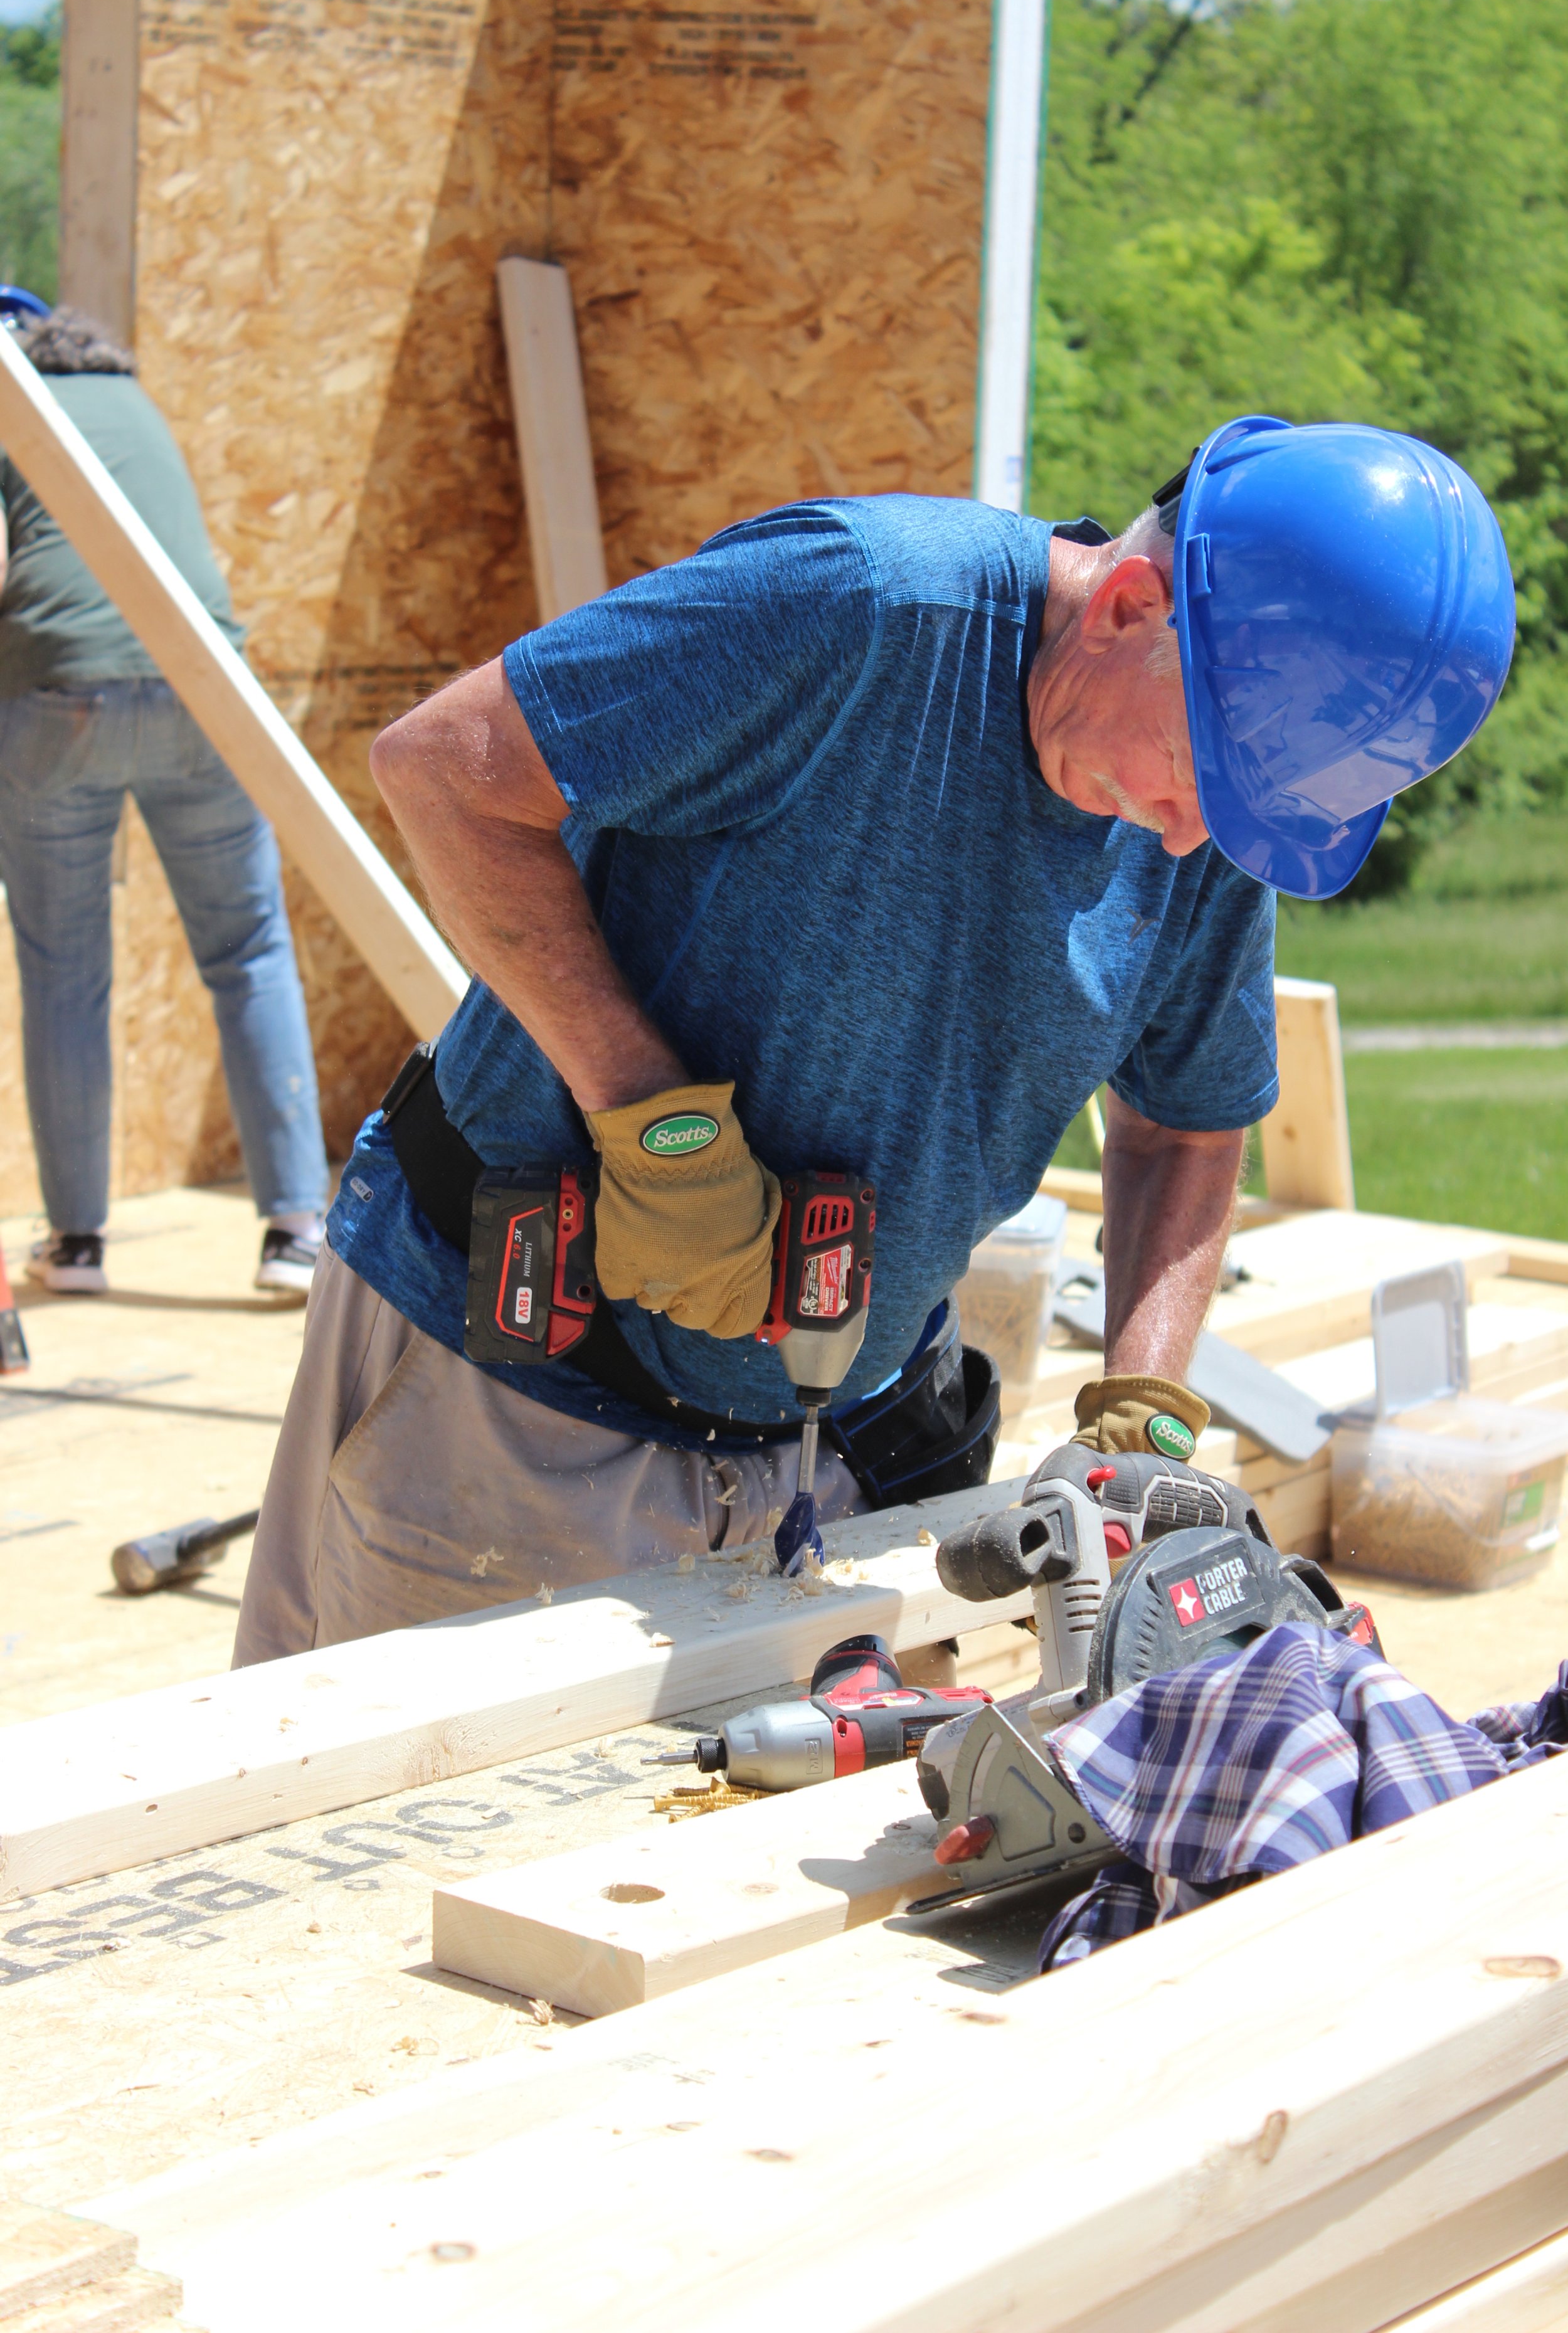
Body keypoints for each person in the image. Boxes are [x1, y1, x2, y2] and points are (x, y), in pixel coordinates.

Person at [233, 413, 1513, 1664]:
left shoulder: (1207, 817)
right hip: (502, 1401)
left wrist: (1140, 1420)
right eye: (1199, 776)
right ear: (1129, 605)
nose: (1186, 840)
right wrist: (653, 1118)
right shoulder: (861, 612)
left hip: (826, 1447)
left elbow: (1184, 1126)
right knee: (360, 1847)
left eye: (1239, 812)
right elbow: (446, 769)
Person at [0, 299, 329, 1296]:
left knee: (66, 971)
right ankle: (295, 1231)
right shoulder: (137, 403)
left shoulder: (13, 411)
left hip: (60, 700)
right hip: (206, 696)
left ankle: (79, 1245)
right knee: (251, 949)